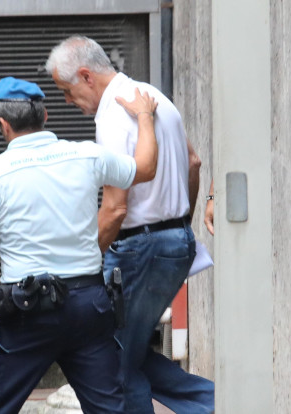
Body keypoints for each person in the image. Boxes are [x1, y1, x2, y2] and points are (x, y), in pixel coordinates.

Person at [0, 76, 159, 414]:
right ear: (45, 116)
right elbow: (146, 168)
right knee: (109, 409)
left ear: (3, 124)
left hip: (23, 311)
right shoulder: (86, 155)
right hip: (90, 306)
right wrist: (145, 115)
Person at [46, 36, 215, 414]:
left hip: (140, 249)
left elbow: (115, 208)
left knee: (111, 364)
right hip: (171, 243)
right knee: (125, 351)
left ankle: (217, 402)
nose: (69, 103)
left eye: (67, 92)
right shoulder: (152, 96)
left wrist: (82, 260)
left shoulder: (112, 115)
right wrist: (177, 227)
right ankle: (215, 402)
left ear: (86, 76)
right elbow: (193, 162)